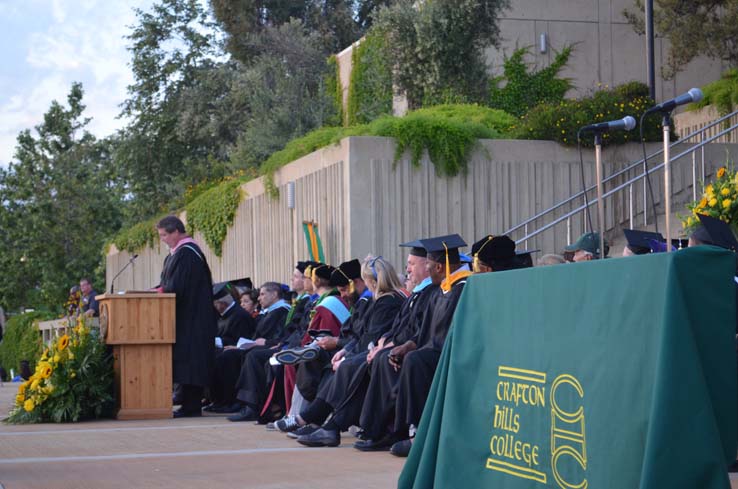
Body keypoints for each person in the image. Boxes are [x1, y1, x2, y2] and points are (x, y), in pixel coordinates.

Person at [293, 255, 406, 447]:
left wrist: (354, 352)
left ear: (372, 281)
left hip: (381, 353)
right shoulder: (380, 301)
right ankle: (324, 422)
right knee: (341, 365)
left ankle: (325, 422)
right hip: (373, 351)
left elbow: (374, 336)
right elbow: (362, 335)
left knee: (348, 367)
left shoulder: (388, 301)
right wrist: (346, 349)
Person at [156, 215, 217, 418]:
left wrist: (159, 292)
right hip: (185, 317)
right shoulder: (176, 254)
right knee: (185, 359)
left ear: (176, 232)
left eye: (164, 235)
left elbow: (177, 287)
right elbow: (167, 284)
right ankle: (185, 401)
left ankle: (191, 406)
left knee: (192, 361)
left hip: (193, 319)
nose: (163, 239)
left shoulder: (188, 253)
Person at [213, 283, 256, 348]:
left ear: (223, 304)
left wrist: (215, 341)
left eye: (215, 304)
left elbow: (241, 342)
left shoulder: (241, 316)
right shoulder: (222, 316)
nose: (213, 307)